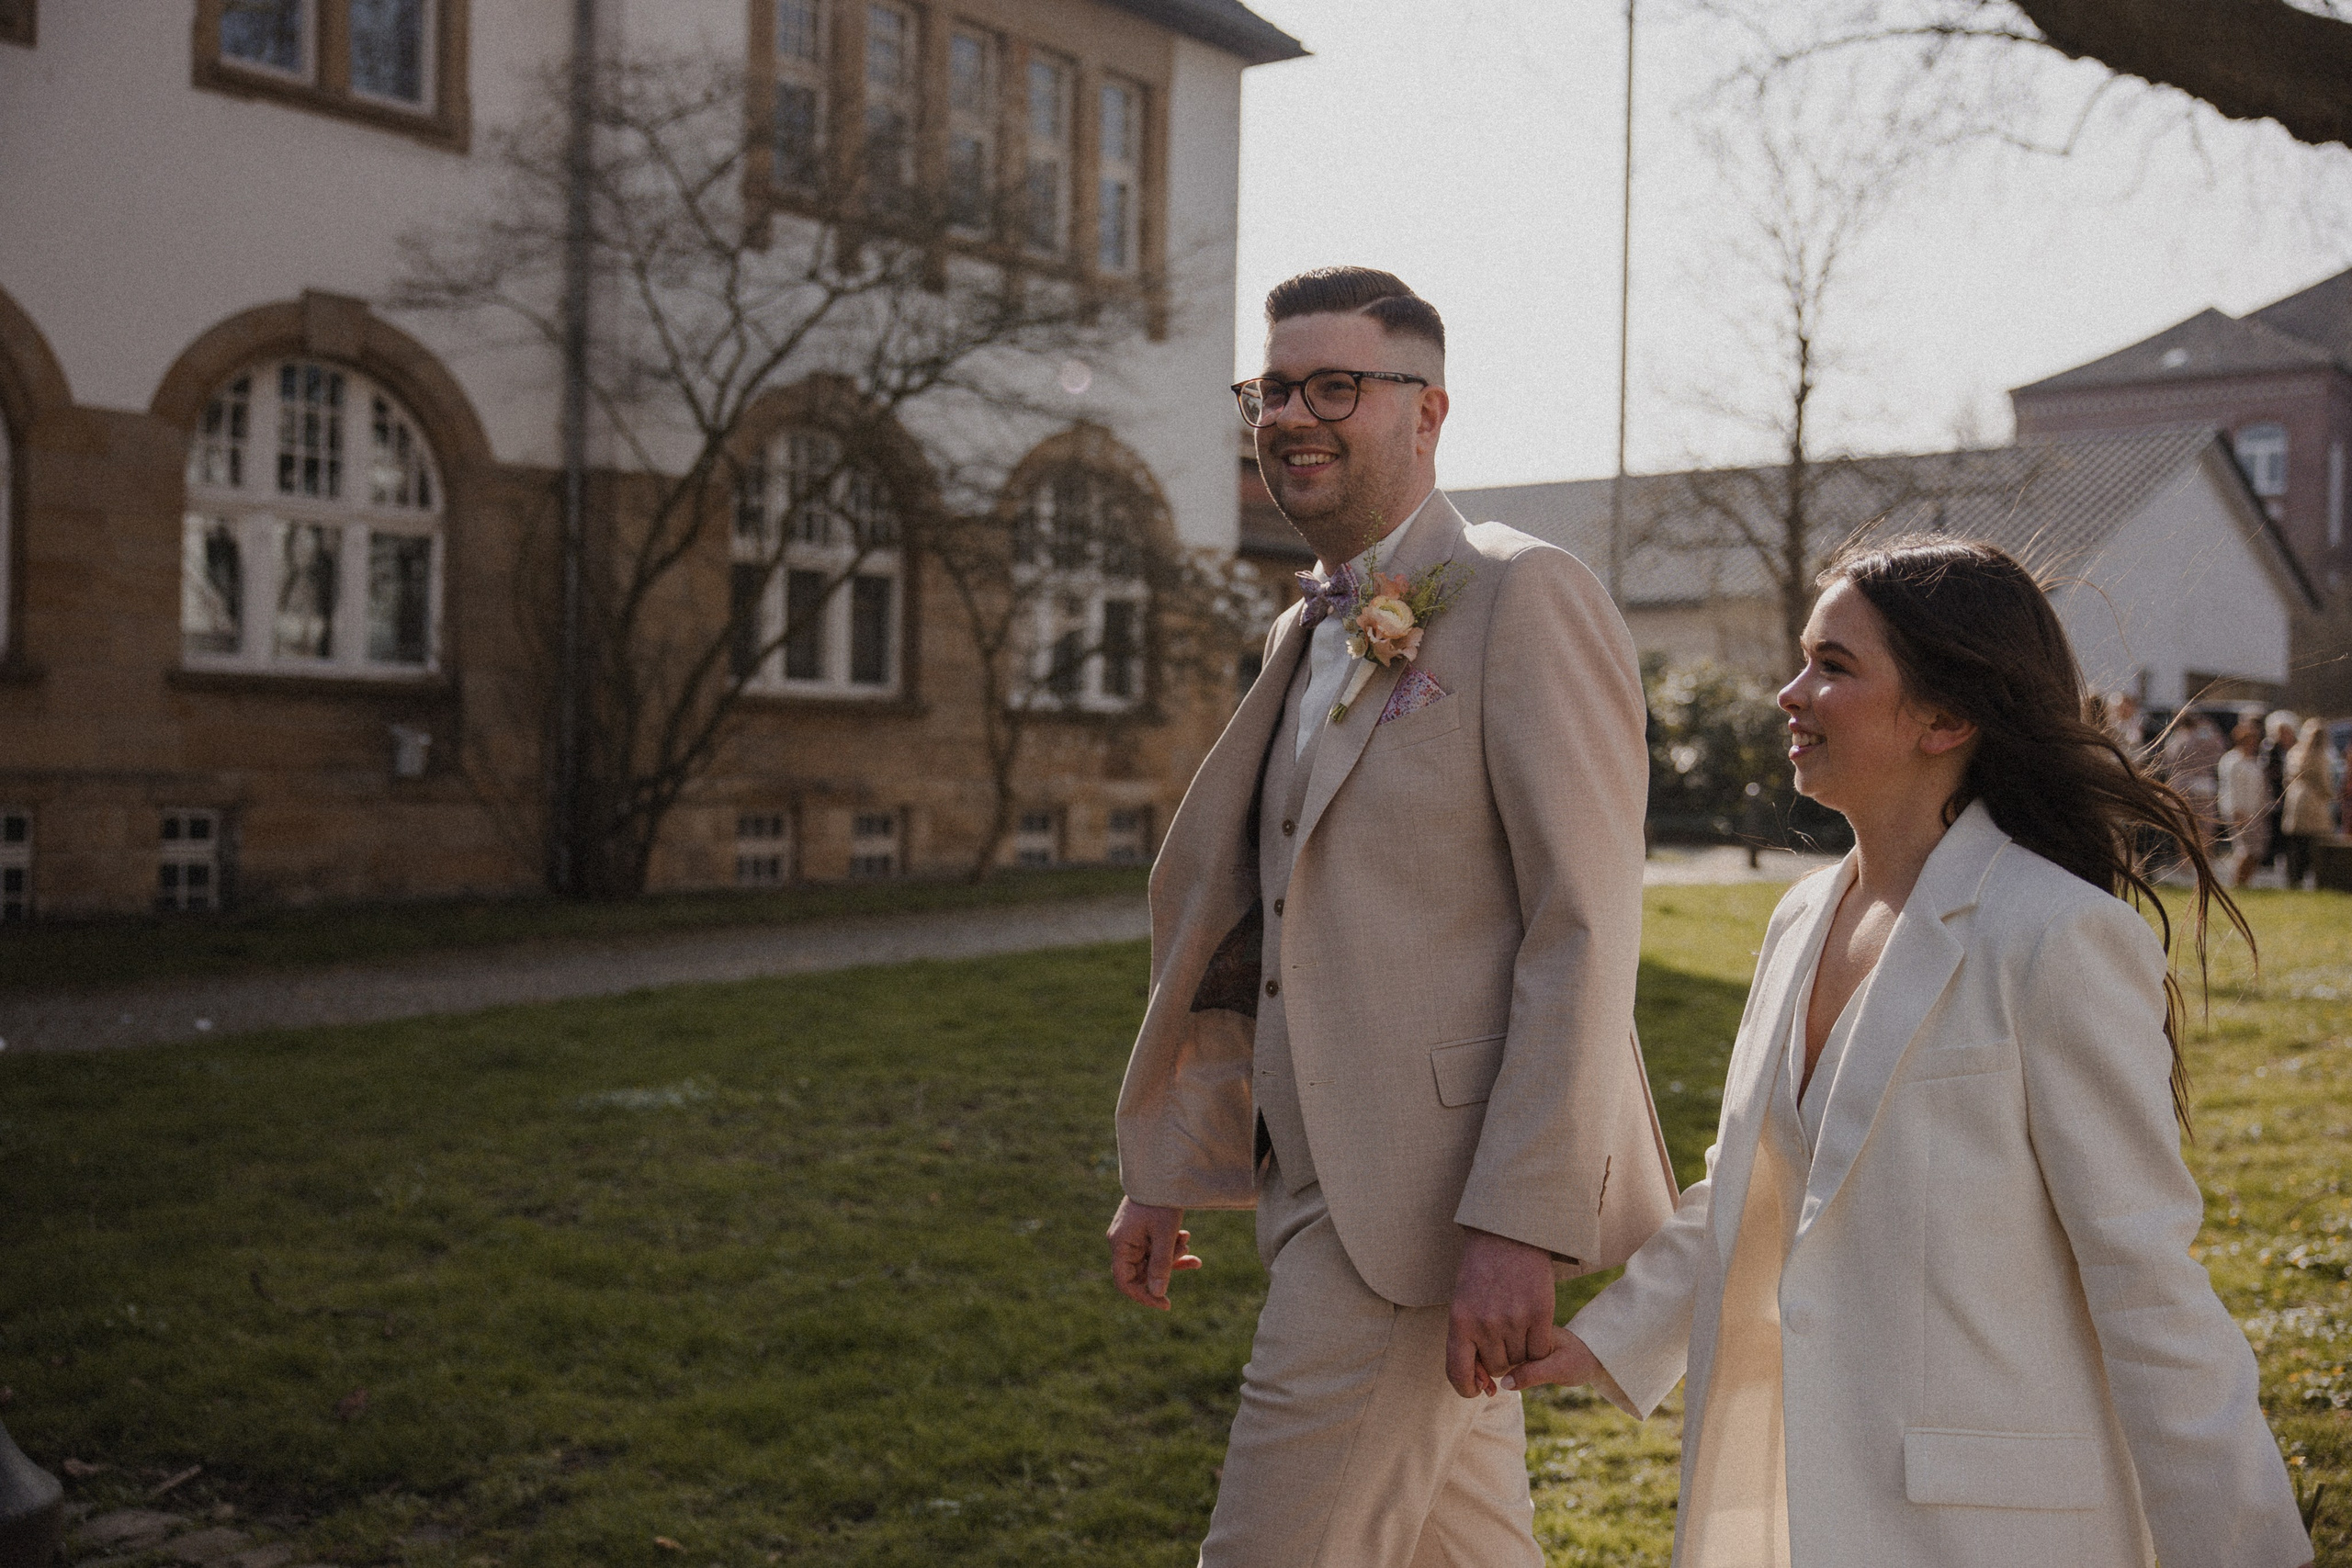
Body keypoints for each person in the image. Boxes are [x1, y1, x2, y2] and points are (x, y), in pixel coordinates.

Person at [1505, 537, 2312, 1568]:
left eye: (1834, 667)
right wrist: (1606, 1341)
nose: (1790, 694)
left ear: (1947, 717)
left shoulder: (2056, 936)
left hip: (1985, 1530)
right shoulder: (1798, 918)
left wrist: (2249, 1552)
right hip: (1794, 1495)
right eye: (1802, 659)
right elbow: (1753, 1183)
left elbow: (2144, 1279)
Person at [1104, 266, 1676, 1566]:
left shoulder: (1525, 595)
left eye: (1337, 386)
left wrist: (1519, 1221)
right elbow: (1252, 920)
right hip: (1307, 1177)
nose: (1294, 414)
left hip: (1432, 1206)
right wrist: (1172, 1158)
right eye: (1275, 386)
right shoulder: (1296, 633)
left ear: (1428, 411)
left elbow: (1581, 926)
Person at [2278, 716, 2336, 889]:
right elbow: (2325, 784)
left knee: (2296, 845)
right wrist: (2331, 796)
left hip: (2296, 799)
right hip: (2314, 803)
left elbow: (2286, 779)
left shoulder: (2294, 752)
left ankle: (2294, 880)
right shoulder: (2320, 756)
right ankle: (2319, 880)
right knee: (2315, 845)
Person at [2160, 709, 2223, 858]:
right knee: (2189, 824)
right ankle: (2189, 860)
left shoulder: (2200, 733)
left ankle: (2200, 858)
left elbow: (2218, 750)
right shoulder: (2179, 737)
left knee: (2202, 824)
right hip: (2188, 785)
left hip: (2197, 784)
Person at [2218, 717, 2272, 888]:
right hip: (2239, 810)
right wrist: (2236, 810)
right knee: (2245, 849)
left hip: (2255, 809)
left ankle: (2246, 882)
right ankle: (2237, 882)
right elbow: (2230, 788)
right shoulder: (2232, 760)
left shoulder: (2253, 761)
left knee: (2257, 849)